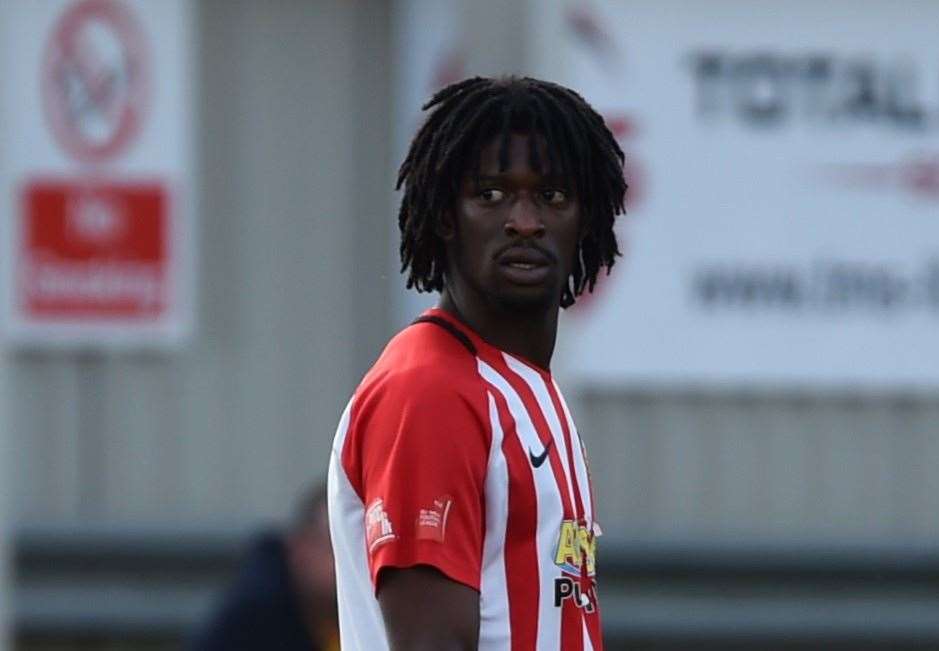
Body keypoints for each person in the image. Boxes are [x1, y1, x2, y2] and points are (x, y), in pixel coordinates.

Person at [327, 75, 627, 650]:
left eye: (553, 196)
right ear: (445, 216)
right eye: (491, 194)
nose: (524, 220)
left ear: (585, 219)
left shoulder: (525, 387)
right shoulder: (430, 390)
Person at [191, 484, 339, 651]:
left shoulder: (334, 613)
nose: (343, 565)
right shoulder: (254, 619)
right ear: (300, 549)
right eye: (333, 547)